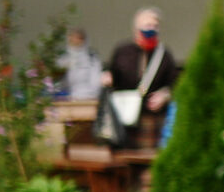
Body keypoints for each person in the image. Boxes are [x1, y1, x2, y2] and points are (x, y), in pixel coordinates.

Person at [102, 8, 181, 145]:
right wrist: (107, 78)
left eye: (155, 26)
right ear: (136, 29)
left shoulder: (164, 54)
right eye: (147, 25)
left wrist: (164, 95)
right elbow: (113, 76)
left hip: (152, 119)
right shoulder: (122, 51)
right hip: (123, 120)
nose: (151, 29)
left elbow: (175, 84)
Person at [60, 28, 102, 101]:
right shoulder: (64, 57)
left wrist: (93, 96)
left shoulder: (91, 57)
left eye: (79, 38)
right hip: (68, 98)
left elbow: (96, 80)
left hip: (88, 98)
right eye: (72, 37)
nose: (75, 40)